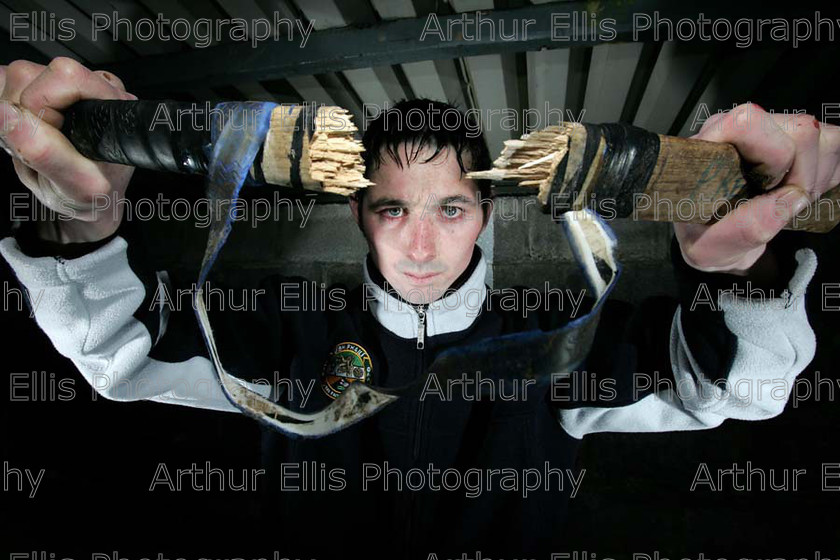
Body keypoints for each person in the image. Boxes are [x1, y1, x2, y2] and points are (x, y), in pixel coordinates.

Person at [0, 57, 836, 559]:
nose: (422, 248)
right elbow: (122, 356)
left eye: (451, 209)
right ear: (360, 213)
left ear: (487, 215)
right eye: (394, 209)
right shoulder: (285, 334)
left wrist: (743, 273)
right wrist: (81, 226)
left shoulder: (558, 345)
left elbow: (735, 389)